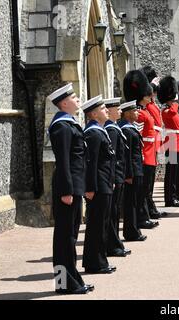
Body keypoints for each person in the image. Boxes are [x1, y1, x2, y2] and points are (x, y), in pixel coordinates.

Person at [47, 83, 93, 295]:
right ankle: (64, 283)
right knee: (64, 239)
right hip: (67, 189)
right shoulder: (61, 126)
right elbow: (64, 162)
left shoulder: (70, 124)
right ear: (64, 103)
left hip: (74, 187)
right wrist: (66, 191)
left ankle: (71, 279)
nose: (78, 100)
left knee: (70, 237)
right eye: (74, 97)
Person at [82, 95, 117, 274]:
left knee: (101, 224)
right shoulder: (93, 133)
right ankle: (95, 263)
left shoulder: (99, 131)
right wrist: (90, 188)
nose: (106, 111)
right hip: (97, 186)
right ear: (94, 114)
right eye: (103, 109)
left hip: (104, 183)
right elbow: (91, 163)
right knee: (97, 225)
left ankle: (98, 260)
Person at [123, 70, 160, 229]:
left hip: (150, 155)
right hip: (145, 156)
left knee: (144, 190)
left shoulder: (144, 111)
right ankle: (141, 218)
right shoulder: (139, 114)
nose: (150, 96)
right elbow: (138, 138)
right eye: (148, 94)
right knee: (141, 191)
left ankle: (144, 216)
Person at [103, 98, 132, 258]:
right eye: (117, 109)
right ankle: (113, 245)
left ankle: (115, 243)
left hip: (118, 175)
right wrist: (114, 177)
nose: (120, 111)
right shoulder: (112, 129)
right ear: (110, 110)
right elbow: (113, 157)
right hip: (116, 175)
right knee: (113, 212)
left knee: (115, 212)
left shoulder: (114, 128)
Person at [140, 66, 168, 218]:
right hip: (148, 147)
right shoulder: (146, 106)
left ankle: (150, 207)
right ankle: (148, 208)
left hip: (154, 146)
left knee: (150, 182)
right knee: (146, 183)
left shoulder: (152, 105)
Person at [119, 101, 148, 241]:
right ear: (127, 113)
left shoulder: (130, 128)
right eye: (135, 111)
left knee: (135, 202)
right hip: (133, 172)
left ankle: (135, 229)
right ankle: (131, 232)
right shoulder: (126, 130)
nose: (138, 113)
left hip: (137, 169)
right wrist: (129, 174)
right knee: (131, 203)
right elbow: (127, 155)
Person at [159, 76, 179, 207]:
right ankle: (169, 199)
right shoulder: (166, 110)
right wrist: (176, 100)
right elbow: (172, 112)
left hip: (177, 144)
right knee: (171, 174)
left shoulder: (174, 110)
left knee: (176, 172)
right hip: (171, 144)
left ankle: (174, 195)